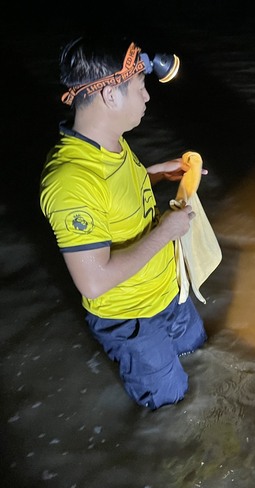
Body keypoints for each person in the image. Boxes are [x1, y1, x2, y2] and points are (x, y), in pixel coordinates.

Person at [40, 35, 207, 410]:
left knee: (206, 364)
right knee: (173, 410)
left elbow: (113, 198)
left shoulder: (110, 141)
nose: (147, 97)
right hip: (132, 320)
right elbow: (94, 281)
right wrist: (166, 231)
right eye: (140, 88)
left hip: (170, 294)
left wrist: (153, 174)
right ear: (110, 96)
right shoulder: (71, 180)